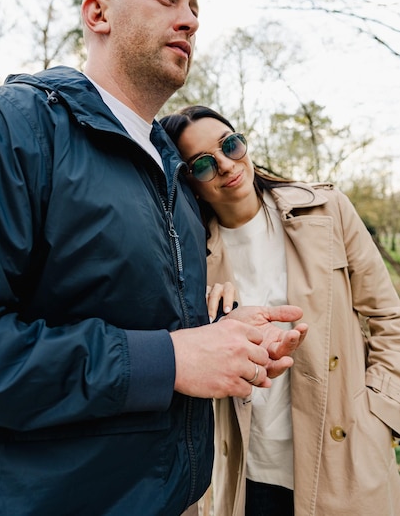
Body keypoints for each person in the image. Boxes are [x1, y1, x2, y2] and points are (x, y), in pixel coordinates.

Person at [0, 0, 307, 516]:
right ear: (97, 14)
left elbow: (151, 323)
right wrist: (172, 360)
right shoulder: (12, 126)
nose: (190, 19)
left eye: (195, 8)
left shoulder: (178, 175)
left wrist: (228, 339)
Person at [160, 105, 400, 516]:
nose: (225, 165)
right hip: (252, 470)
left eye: (230, 145)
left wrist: (382, 412)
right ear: (191, 184)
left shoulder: (327, 210)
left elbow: (387, 317)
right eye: (202, 165)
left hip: (348, 457)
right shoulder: (189, 258)